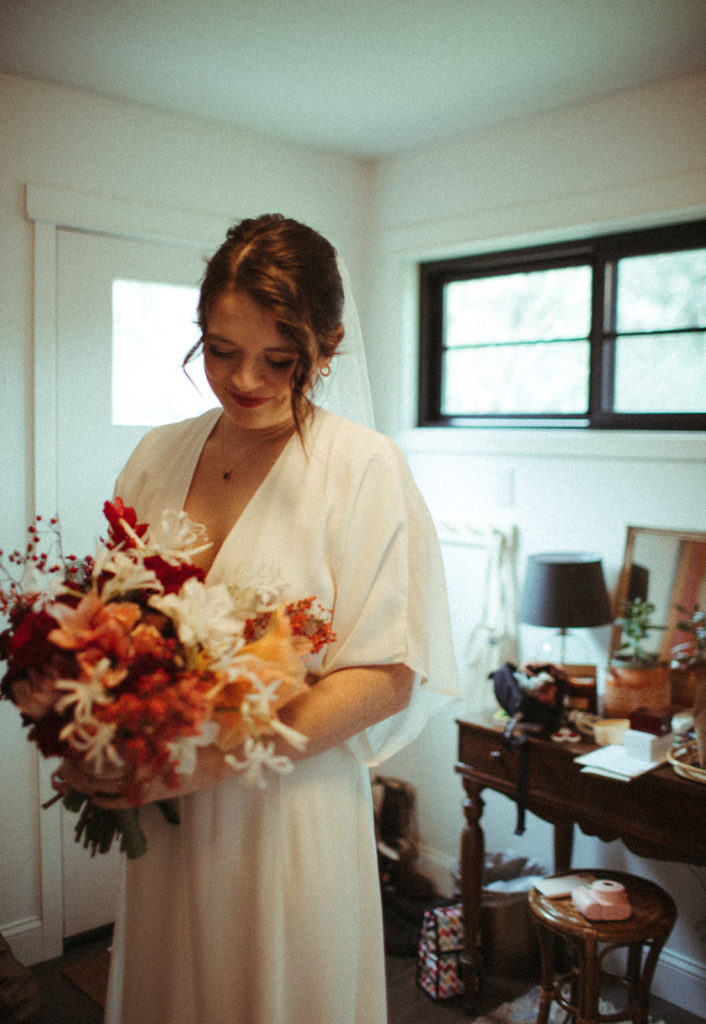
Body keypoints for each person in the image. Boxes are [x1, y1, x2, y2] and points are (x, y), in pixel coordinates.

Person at [56, 214, 459, 1023]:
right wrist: (93, 736)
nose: (245, 381)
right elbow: (109, 630)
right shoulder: (155, 455)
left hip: (287, 812)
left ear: (329, 344)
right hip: (166, 818)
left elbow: (385, 674)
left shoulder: (361, 468)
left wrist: (205, 765)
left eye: (280, 359)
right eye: (220, 350)